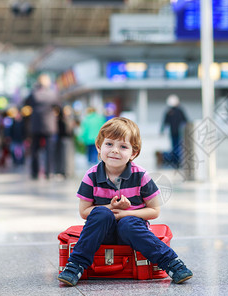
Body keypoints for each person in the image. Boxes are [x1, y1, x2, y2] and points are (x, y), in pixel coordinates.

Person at [57, 117, 193, 286]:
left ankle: (172, 263)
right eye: (109, 144)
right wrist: (110, 207)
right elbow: (84, 212)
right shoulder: (91, 176)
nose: (115, 150)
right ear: (99, 147)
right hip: (101, 234)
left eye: (123, 146)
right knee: (101, 214)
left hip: (131, 233)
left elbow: (154, 210)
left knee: (128, 223)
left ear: (133, 153)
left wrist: (126, 213)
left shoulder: (141, 176)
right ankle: (75, 265)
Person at [24, 73, 60, 179]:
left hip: (35, 125)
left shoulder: (34, 93)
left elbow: (25, 103)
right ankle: (48, 173)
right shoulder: (53, 94)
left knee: (34, 150)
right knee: (49, 151)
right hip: (50, 126)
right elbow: (58, 106)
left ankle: (34, 172)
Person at [159, 94, 188, 168]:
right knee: (174, 148)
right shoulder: (169, 111)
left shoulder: (180, 111)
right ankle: (176, 162)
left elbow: (185, 121)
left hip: (179, 133)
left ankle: (178, 162)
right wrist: (162, 130)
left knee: (178, 148)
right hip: (173, 133)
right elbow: (165, 122)